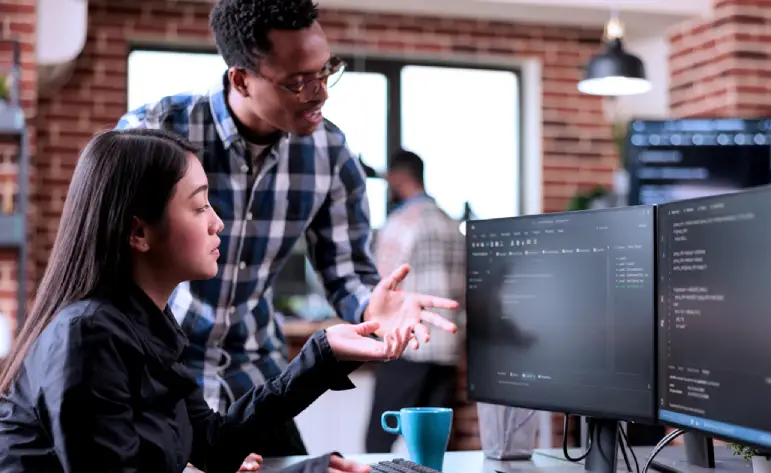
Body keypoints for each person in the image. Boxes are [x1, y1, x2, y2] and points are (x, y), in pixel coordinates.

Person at [115, 0, 458, 458]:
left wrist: (372, 304)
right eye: (298, 81)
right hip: (161, 374)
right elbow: (112, 268)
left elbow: (346, 270)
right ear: (241, 79)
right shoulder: (158, 131)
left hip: (255, 376)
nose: (320, 93)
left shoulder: (330, 152)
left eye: (326, 71)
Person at [0, 129, 443, 473]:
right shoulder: (87, 336)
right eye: (199, 207)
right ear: (138, 232)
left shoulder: (145, 325)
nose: (219, 223)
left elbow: (214, 443)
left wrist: (323, 354)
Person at [365, 150, 467, 453]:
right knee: (431, 445)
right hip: (448, 346)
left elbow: (381, 284)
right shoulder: (450, 223)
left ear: (399, 177)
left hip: (409, 346)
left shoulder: (401, 223)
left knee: (378, 440)